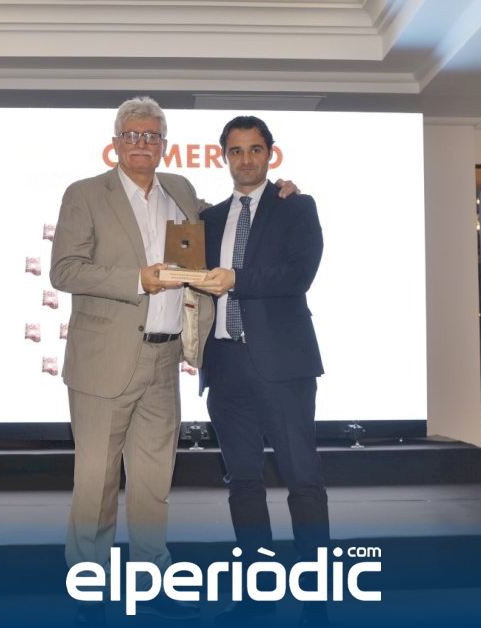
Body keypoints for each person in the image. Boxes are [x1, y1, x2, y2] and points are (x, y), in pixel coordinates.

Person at [50, 98, 295, 624]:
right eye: (132, 135)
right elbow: (65, 270)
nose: (142, 144)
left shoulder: (181, 191)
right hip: (102, 363)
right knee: (95, 483)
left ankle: (150, 579)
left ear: (164, 144)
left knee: (152, 483)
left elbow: (230, 217)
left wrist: (278, 196)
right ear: (115, 143)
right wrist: (137, 279)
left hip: (165, 362)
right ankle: (89, 586)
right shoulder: (84, 194)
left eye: (152, 136)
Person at [191, 116, 329, 626]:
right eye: (236, 150)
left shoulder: (297, 206)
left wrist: (236, 279)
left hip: (284, 367)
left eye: (255, 149)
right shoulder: (208, 219)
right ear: (223, 156)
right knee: (243, 483)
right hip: (225, 366)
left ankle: (316, 600)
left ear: (271, 154)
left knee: (303, 481)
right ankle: (258, 594)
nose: (246, 159)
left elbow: (299, 274)